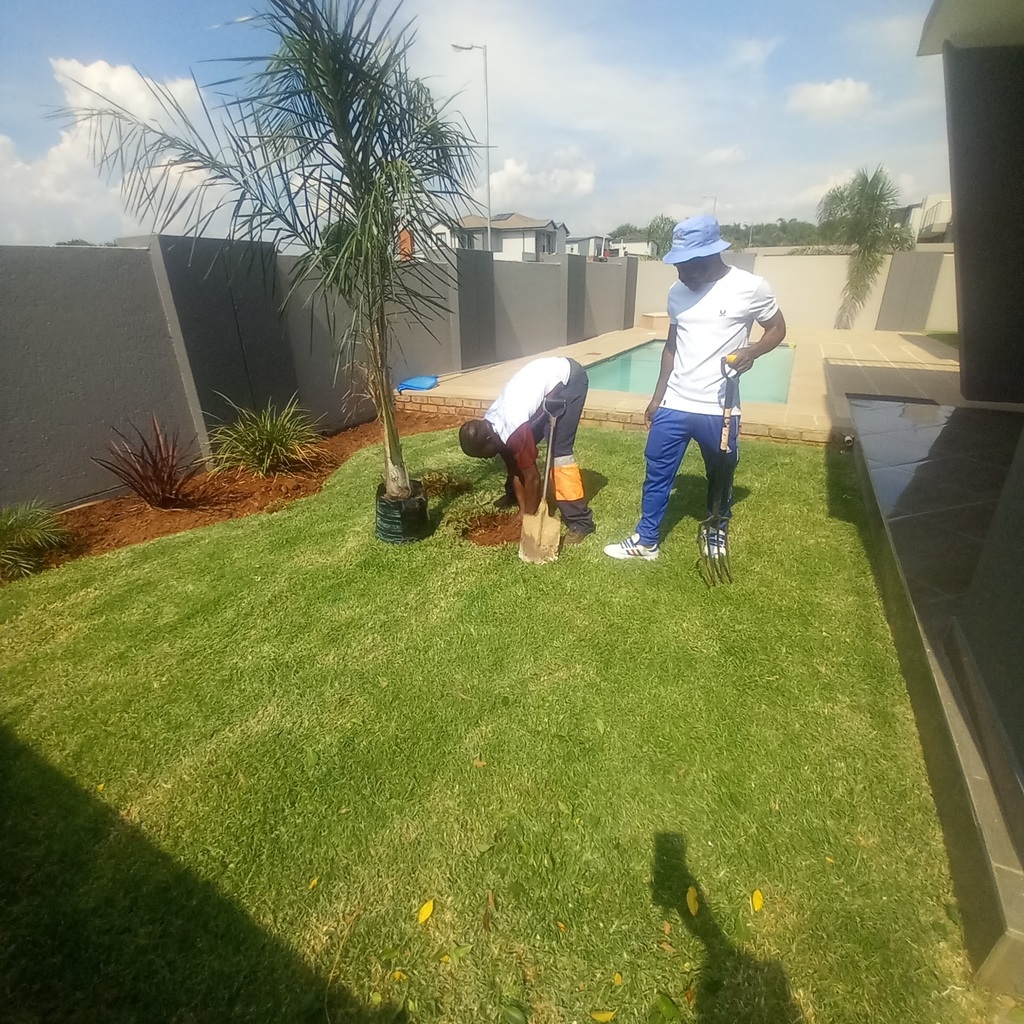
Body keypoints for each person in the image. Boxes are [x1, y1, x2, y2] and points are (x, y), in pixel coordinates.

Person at [604, 215, 786, 561]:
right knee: (657, 471)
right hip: (675, 402)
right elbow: (672, 346)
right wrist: (657, 398)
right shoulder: (677, 292)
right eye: (677, 266)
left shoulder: (751, 287)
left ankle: (716, 528)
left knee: (720, 472)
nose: (680, 274)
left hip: (720, 407)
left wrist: (753, 351)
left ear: (711, 256)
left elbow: (777, 328)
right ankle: (646, 541)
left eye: (687, 266)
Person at [459, 356, 595, 544]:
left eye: (483, 454)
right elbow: (513, 465)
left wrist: (530, 520)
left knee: (559, 454)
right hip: (541, 380)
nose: (485, 458)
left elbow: (532, 478)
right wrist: (522, 512)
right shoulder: (492, 421)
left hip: (568, 379)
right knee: (515, 458)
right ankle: (518, 501)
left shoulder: (513, 428)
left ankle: (580, 522)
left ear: (489, 439)